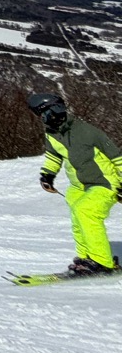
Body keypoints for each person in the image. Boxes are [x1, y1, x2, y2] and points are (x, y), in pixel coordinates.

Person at [30, 92, 122, 276]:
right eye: (41, 116)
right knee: (77, 216)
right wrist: (47, 175)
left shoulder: (88, 131)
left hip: (105, 183)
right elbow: (53, 156)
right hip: (79, 185)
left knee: (86, 212)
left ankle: (103, 263)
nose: (44, 119)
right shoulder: (52, 134)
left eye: (45, 114)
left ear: (56, 110)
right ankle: (87, 258)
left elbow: (118, 158)